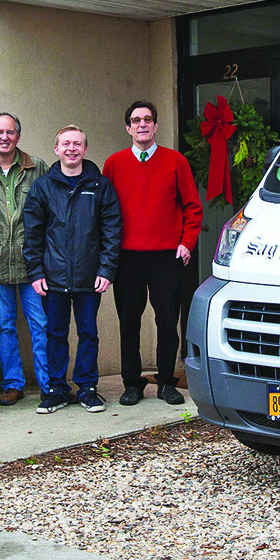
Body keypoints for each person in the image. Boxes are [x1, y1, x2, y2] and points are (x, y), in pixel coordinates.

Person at [101, 100, 202, 406]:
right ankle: (132, 384)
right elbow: (105, 211)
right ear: (128, 128)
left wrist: (187, 242)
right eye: (136, 120)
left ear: (156, 126)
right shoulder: (114, 163)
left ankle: (167, 382)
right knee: (129, 322)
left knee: (168, 321)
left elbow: (193, 207)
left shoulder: (175, 162)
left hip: (166, 257)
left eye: (148, 119)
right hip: (127, 257)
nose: (142, 124)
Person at [22, 125, 122, 415]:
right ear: (56, 149)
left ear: (85, 149)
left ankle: (88, 388)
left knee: (88, 332)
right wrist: (36, 272)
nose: (71, 148)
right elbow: (32, 234)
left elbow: (112, 230)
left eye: (77, 143)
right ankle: (57, 390)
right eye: (65, 143)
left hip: (90, 277)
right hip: (52, 278)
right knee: (55, 333)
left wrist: (106, 269)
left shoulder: (100, 186)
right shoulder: (42, 187)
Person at [0, 112, 49, 406]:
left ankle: (49, 384)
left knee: (41, 324)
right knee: (4, 325)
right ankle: (13, 383)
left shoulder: (38, 168)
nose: (4, 137)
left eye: (10, 132)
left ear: (18, 136)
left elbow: (50, 211)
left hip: (33, 262)